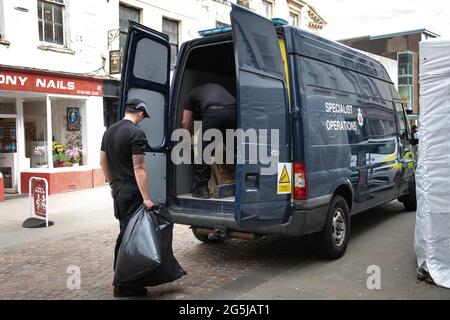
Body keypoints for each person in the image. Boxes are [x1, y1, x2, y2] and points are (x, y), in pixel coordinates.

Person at [100, 98, 154, 297]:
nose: (142, 120)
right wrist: (146, 197)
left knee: (125, 233)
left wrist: (112, 183)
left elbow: (102, 161)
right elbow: (139, 167)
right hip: (132, 191)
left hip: (119, 191)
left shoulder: (109, 131)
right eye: (142, 117)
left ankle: (126, 280)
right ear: (139, 113)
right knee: (130, 238)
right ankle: (123, 285)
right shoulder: (136, 133)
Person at [181, 83, 237, 198]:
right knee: (235, 148)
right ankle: (244, 182)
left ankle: (201, 189)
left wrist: (185, 140)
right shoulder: (213, 88)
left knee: (203, 150)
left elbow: (185, 122)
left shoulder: (191, 95)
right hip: (234, 112)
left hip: (215, 112)